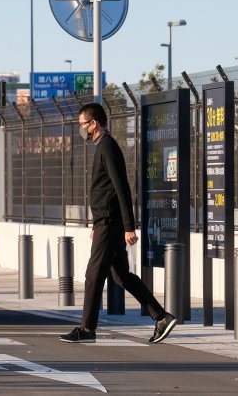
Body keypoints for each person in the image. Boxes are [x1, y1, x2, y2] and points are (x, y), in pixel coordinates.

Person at [60, 102, 177, 344]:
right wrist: (97, 224)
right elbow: (106, 190)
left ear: (94, 123)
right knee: (121, 276)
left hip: (111, 223)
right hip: (105, 222)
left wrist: (128, 226)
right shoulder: (103, 147)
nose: (81, 129)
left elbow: (121, 187)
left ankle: (87, 328)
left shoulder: (107, 147)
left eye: (83, 124)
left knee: (93, 276)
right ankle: (161, 317)